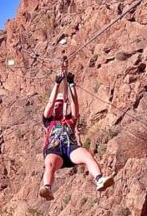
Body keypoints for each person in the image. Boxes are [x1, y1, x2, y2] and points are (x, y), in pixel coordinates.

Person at [39, 71, 113, 201]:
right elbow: (50, 103)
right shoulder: (48, 121)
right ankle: (47, 188)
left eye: (60, 104)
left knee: (87, 155)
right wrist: (57, 83)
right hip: (55, 149)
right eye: (57, 103)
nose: (57, 105)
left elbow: (75, 104)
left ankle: (99, 179)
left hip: (70, 148)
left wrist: (71, 85)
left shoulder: (70, 120)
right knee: (49, 163)